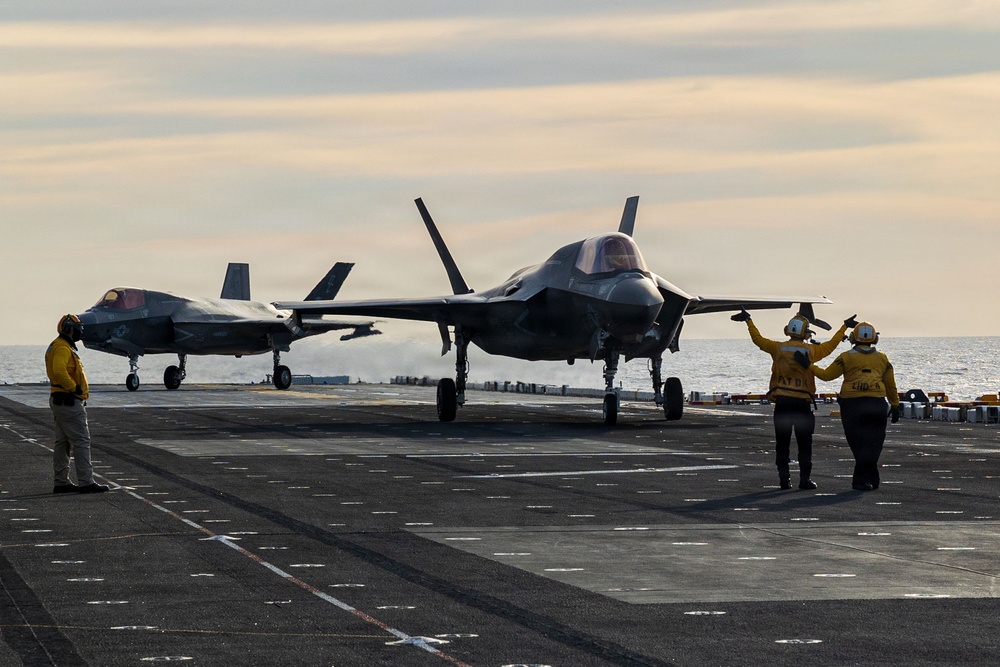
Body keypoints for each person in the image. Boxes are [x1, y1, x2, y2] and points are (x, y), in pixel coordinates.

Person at [732, 310, 853, 490]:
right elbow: (831, 346)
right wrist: (844, 327)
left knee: (782, 444)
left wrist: (749, 321)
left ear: (788, 331)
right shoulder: (812, 351)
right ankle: (804, 480)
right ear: (805, 333)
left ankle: (784, 480)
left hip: (782, 405)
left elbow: (758, 339)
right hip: (802, 406)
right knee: (805, 445)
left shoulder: (778, 348)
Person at [796, 321, 900, 491]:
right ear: (875, 339)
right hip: (877, 404)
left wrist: (808, 365)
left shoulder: (846, 357)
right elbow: (891, 384)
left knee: (857, 443)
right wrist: (895, 405)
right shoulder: (882, 358)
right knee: (875, 443)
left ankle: (861, 479)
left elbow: (826, 375)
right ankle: (870, 476)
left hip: (852, 405)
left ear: (853, 338)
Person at [45, 314, 109, 494]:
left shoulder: (58, 346)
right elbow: (59, 371)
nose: (79, 332)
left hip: (60, 399)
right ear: (68, 329)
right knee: (81, 440)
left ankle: (61, 481)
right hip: (68, 400)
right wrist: (75, 388)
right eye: (77, 328)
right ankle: (86, 481)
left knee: (62, 442)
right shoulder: (63, 348)